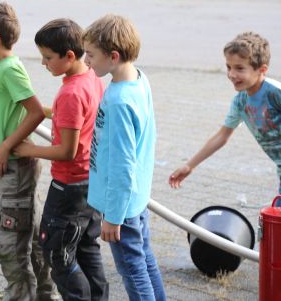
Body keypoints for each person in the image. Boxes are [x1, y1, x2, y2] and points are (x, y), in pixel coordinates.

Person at [15, 19, 108, 301]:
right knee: (86, 248)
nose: (43, 63)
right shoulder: (91, 77)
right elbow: (80, 117)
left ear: (69, 56)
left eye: (47, 57)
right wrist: (46, 111)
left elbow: (67, 151)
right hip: (91, 182)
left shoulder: (70, 93)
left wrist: (28, 150)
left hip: (69, 187)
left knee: (58, 252)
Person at [0, 4, 59, 301]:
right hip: (12, 167)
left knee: (11, 247)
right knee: (29, 238)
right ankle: (44, 295)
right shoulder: (3, 69)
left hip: (15, 169)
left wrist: (6, 146)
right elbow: (11, 110)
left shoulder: (9, 70)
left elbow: (34, 112)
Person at [82, 15, 165, 301]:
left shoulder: (118, 101)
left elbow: (121, 166)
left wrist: (113, 217)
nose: (86, 61)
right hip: (136, 197)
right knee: (144, 258)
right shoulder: (139, 78)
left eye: (91, 55)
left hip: (122, 207)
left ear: (113, 56)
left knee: (132, 269)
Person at [169, 32, 281, 194]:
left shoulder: (275, 93)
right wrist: (189, 165)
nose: (231, 74)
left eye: (239, 68)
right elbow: (222, 136)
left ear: (261, 70)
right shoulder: (240, 102)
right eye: (229, 67)